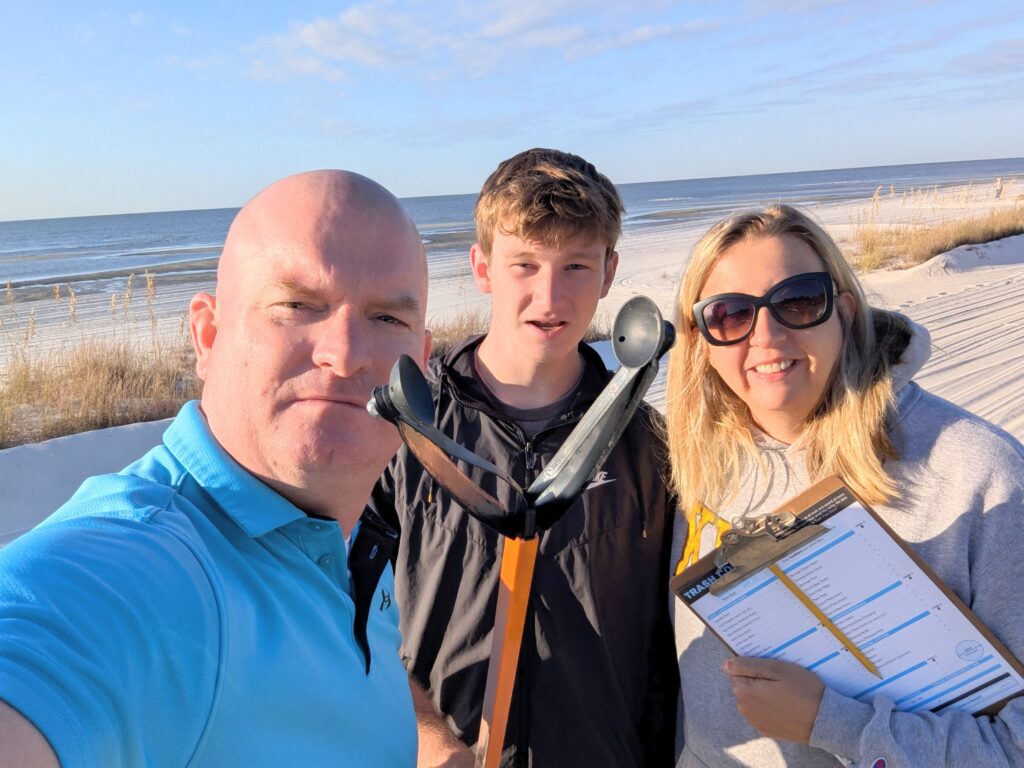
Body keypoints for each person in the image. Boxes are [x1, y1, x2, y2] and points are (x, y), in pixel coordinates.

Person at [0, 170, 464, 766]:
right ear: (208, 335)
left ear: (420, 365)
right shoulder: (155, 565)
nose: (345, 353)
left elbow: (337, 654)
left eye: (388, 319)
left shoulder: (340, 525)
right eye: (297, 305)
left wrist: (432, 742)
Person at [665, 204, 1024, 766]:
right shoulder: (698, 461)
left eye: (798, 300)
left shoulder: (976, 473)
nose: (766, 334)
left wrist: (834, 724)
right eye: (731, 314)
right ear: (700, 339)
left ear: (845, 312)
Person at [370, 147, 679, 767]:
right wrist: (429, 742)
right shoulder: (407, 433)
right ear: (482, 267)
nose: (549, 294)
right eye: (525, 264)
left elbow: (666, 642)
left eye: (575, 266)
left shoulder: (648, 444)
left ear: (609, 272)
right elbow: (344, 620)